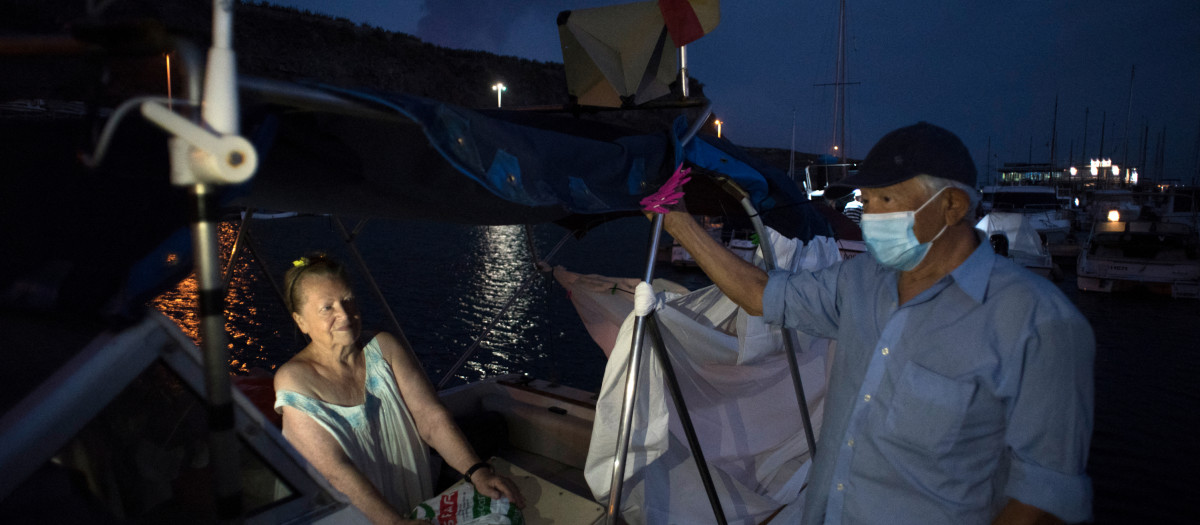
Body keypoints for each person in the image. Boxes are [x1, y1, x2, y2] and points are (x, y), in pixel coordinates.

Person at [659, 122, 1093, 524]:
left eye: (886, 201)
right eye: (865, 202)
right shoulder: (861, 282)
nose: (870, 217)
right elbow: (760, 294)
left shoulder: (1038, 323)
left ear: (951, 205)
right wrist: (677, 221)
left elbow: (1043, 500)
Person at [273, 254, 525, 524]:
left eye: (347, 300)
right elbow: (335, 471)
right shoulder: (294, 380)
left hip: (410, 504)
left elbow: (431, 418)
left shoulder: (384, 348)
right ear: (301, 321)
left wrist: (477, 472)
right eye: (327, 308)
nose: (344, 314)